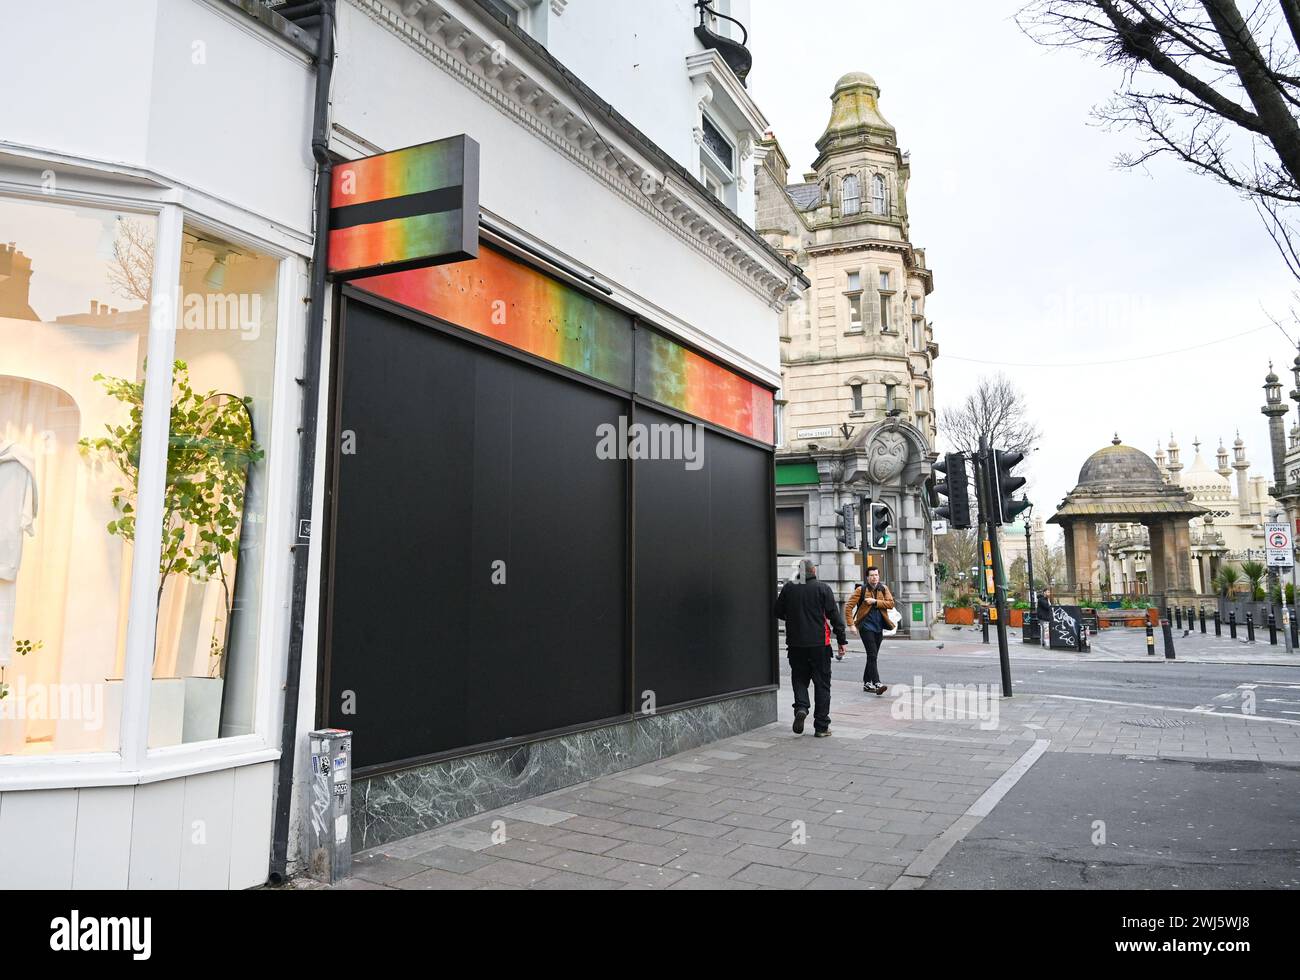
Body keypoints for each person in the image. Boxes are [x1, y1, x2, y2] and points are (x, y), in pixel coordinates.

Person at [775, 559, 847, 738]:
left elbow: (777, 611)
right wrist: (841, 641)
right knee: (822, 685)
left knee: (799, 678)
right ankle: (821, 726)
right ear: (813, 570)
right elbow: (834, 616)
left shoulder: (789, 588)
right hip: (819, 644)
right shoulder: (823, 588)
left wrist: (793, 617)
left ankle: (801, 707)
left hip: (795, 643)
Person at [846, 566, 895, 696]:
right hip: (866, 627)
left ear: (879, 576)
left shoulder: (883, 589)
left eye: (876, 575)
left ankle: (867, 683)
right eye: (872, 575)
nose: (874, 577)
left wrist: (875, 602)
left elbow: (890, 604)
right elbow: (848, 606)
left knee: (872, 656)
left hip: (879, 627)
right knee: (872, 655)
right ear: (867, 577)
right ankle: (877, 682)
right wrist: (851, 625)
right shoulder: (860, 590)